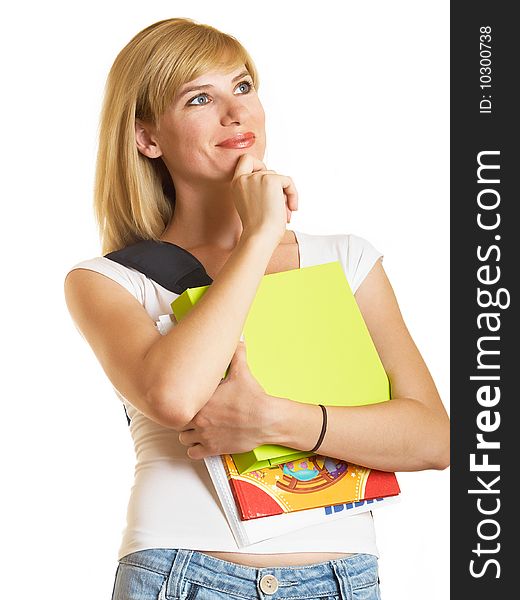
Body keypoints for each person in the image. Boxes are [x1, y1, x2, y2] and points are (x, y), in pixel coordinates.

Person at [64, 17, 450, 600]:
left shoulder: (345, 260)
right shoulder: (109, 280)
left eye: (242, 87)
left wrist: (274, 420)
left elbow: (433, 439)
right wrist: (259, 237)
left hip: (340, 578)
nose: (235, 113)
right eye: (200, 97)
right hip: (181, 573)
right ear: (147, 138)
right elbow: (173, 397)